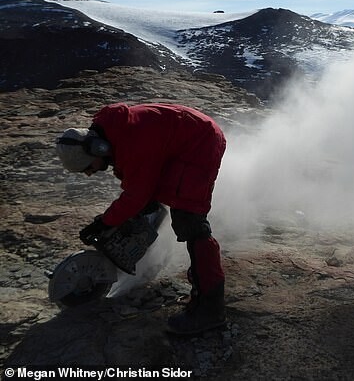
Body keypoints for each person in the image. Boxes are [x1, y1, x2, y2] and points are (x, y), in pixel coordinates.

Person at [55, 103, 227, 335]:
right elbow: (137, 182)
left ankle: (210, 309)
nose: (89, 173)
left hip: (201, 143)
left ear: (98, 148)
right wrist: (113, 218)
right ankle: (162, 259)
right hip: (183, 142)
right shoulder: (115, 134)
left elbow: (136, 194)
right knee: (153, 202)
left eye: (88, 168)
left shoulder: (132, 140)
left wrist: (105, 222)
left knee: (190, 223)